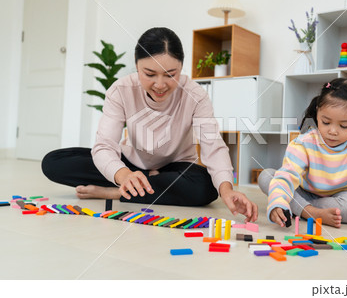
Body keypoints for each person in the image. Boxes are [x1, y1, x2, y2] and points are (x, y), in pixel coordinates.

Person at [42, 27, 258, 222]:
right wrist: (123, 175)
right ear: (136, 67)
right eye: (149, 74)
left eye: (170, 75)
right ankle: (132, 184)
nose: (160, 84)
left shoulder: (196, 95)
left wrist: (227, 190)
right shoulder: (121, 90)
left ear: (181, 68)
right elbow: (105, 145)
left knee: (208, 187)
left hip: (175, 166)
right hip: (130, 164)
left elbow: (213, 146)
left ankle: (118, 192)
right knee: (54, 162)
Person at [258, 78, 347, 235]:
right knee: (267, 176)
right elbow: (287, 175)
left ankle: (301, 208)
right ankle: (310, 212)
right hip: (304, 191)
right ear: (318, 112)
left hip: (340, 196)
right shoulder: (305, 142)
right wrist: (278, 202)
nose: (332, 131)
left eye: (343, 126)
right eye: (326, 122)